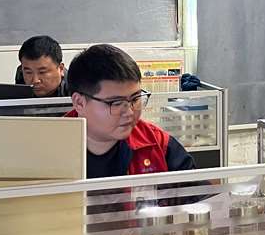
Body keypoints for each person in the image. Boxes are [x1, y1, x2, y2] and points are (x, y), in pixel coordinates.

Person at [65, 44, 196, 178]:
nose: (129, 113)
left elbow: (196, 188)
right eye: (116, 103)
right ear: (79, 102)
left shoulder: (158, 144)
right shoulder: (53, 146)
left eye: (135, 99)